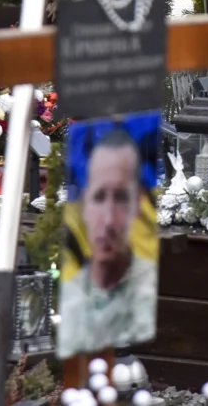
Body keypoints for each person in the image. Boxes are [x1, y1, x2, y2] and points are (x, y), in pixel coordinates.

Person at [57, 131, 158, 357]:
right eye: (99, 196)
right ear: (84, 204)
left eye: (121, 197)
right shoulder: (69, 294)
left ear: (137, 203)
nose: (109, 220)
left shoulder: (148, 293)